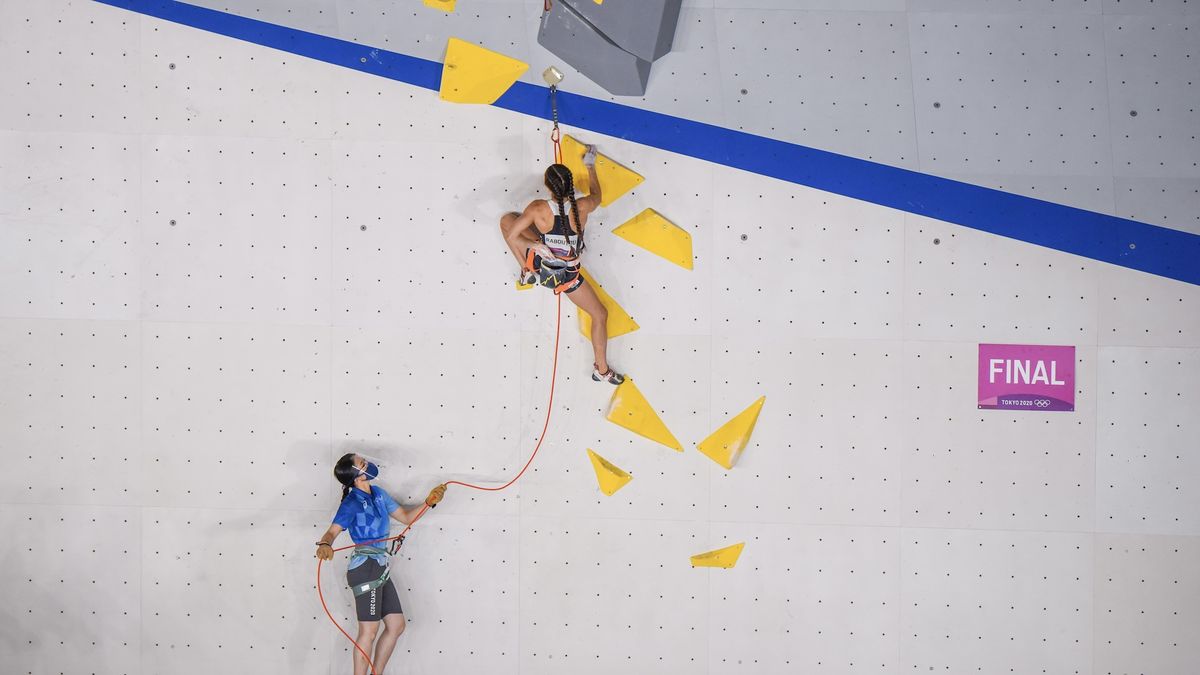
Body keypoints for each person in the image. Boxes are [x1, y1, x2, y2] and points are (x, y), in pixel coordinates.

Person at [500, 145, 625, 384]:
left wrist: (533, 244)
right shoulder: (583, 207)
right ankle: (602, 369)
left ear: (547, 187)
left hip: (541, 265)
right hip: (567, 278)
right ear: (570, 187)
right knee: (599, 315)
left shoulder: (538, 208)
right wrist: (589, 166)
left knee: (506, 220)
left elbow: (512, 234)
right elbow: (597, 195)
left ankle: (526, 270)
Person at [315, 453, 446, 675]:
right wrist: (325, 545)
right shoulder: (351, 503)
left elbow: (405, 517)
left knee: (396, 625)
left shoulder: (378, 495)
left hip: (380, 567)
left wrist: (428, 503)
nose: (367, 464)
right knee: (369, 631)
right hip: (365, 569)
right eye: (362, 464)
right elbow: (331, 533)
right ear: (355, 476)